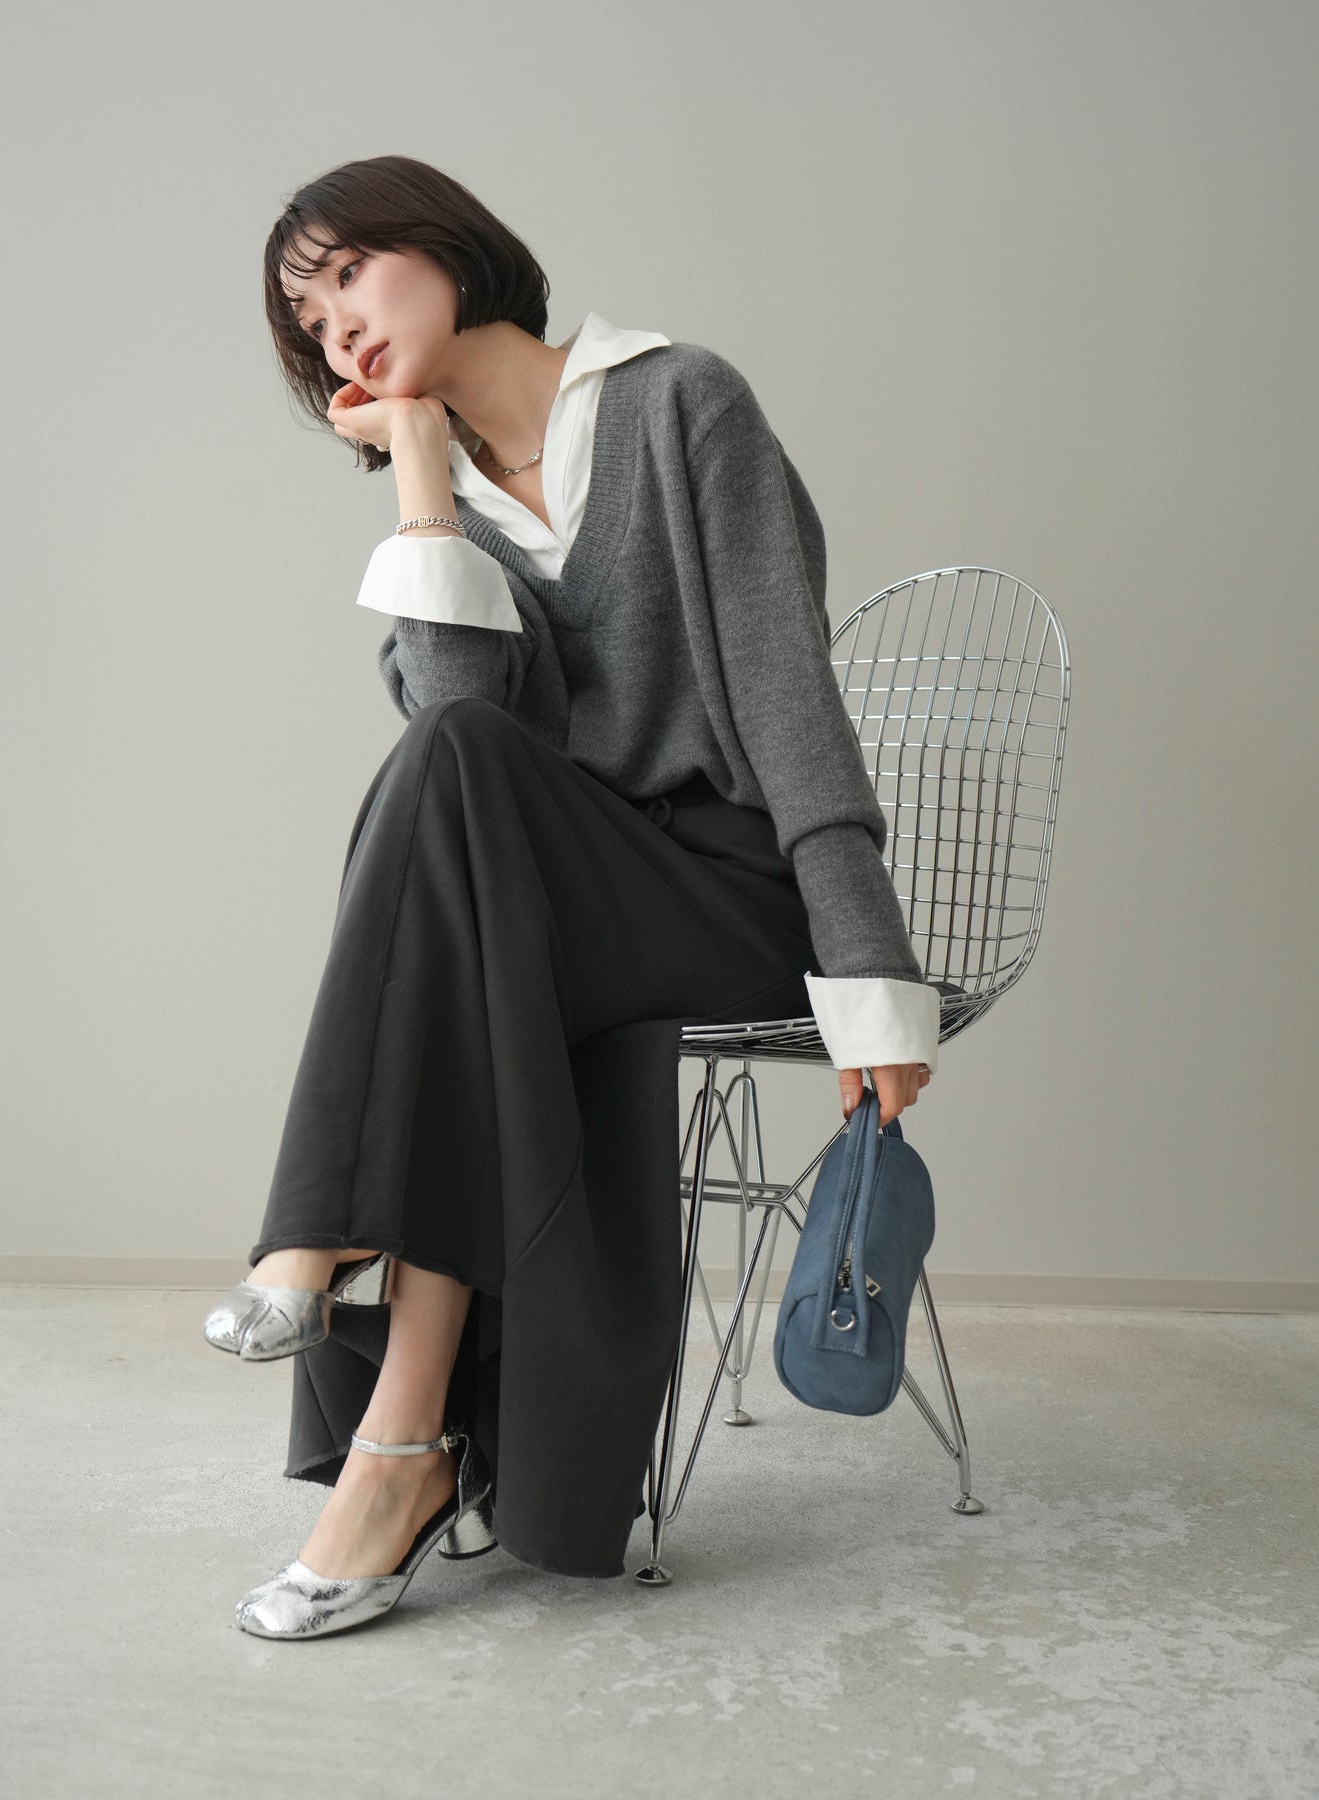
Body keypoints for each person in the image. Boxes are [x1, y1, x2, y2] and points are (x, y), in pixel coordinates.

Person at [205, 155, 940, 1640]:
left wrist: (868, 961)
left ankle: (320, 1249)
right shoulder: (447, 515)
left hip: (726, 892)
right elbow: (461, 739)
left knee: (463, 847)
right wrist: (424, 477)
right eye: (312, 324)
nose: (339, 327)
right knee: (461, 796)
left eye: (347, 274)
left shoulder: (681, 405)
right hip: (557, 906)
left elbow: (787, 698)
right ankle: (399, 1449)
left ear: (441, 241)